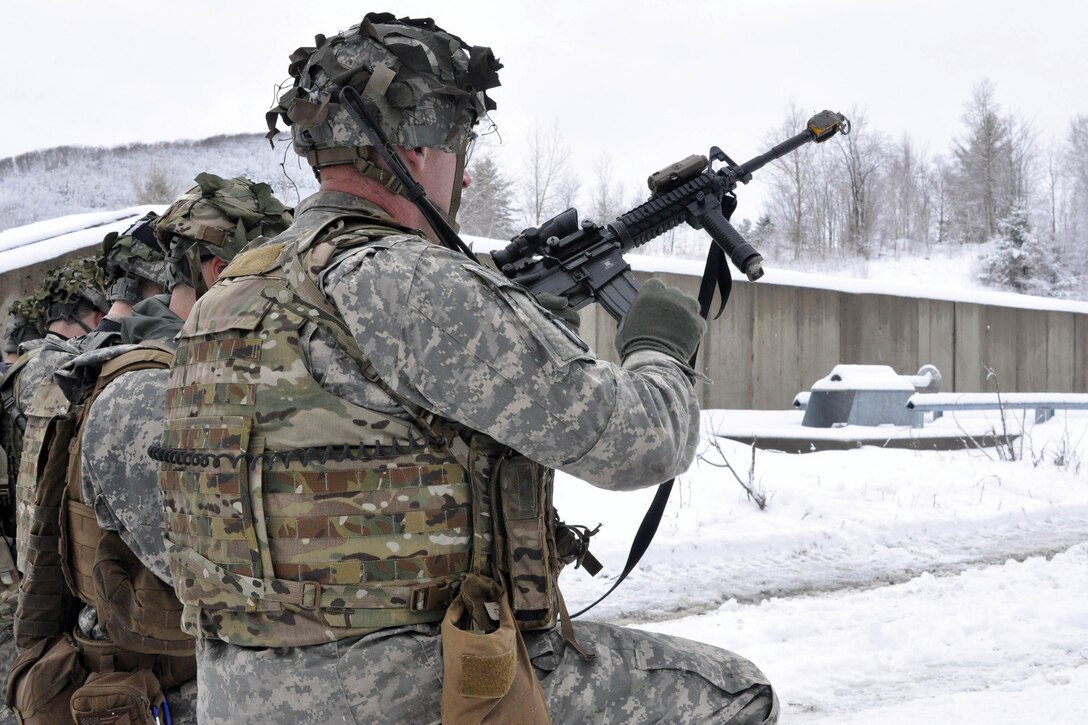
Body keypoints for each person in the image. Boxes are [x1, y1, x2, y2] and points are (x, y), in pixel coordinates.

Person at [157, 13, 777, 724]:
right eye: (463, 142)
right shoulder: (406, 280)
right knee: (735, 693)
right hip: (399, 692)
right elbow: (644, 442)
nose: (468, 167)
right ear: (418, 147)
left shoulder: (227, 296)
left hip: (240, 694)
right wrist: (660, 346)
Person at [4, 174, 291, 725]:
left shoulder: (172, 365)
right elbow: (220, 581)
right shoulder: (152, 390)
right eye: (276, 272)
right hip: (155, 686)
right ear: (218, 270)